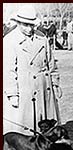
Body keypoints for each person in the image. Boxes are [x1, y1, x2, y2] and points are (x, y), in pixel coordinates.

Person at [3, 5, 61, 133]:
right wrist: (13, 94)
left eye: (31, 25)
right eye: (25, 25)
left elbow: (51, 63)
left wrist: (55, 84)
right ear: (18, 23)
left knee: (45, 124)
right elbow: (8, 71)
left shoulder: (42, 38)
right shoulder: (9, 41)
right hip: (24, 89)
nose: (29, 29)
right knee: (26, 126)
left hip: (44, 87)